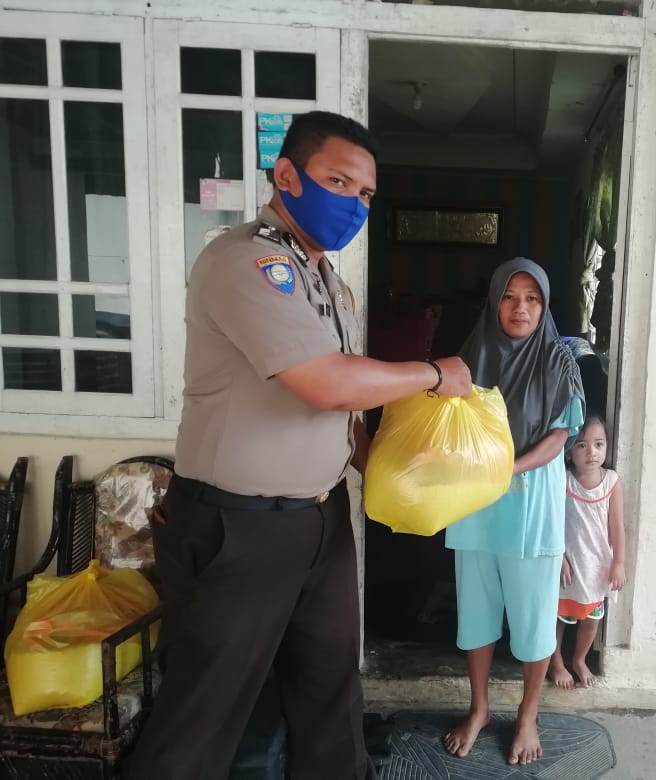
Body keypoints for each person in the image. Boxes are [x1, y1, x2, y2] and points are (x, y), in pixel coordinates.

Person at [125, 111, 472, 780]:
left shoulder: (330, 283)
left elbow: (341, 412)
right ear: (286, 175)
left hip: (320, 518)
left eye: (365, 194)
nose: (354, 204)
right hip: (240, 527)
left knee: (330, 690)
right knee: (206, 712)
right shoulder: (246, 262)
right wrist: (434, 374)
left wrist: (394, 477)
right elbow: (327, 384)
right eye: (338, 182)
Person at [441, 257, 584, 766]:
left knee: (534, 617)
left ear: (544, 306)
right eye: (509, 296)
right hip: (475, 500)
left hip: (530, 501)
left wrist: (509, 467)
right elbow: (445, 422)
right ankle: (479, 709)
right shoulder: (468, 358)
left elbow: (561, 436)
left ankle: (527, 714)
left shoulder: (559, 361)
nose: (520, 307)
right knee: (476, 612)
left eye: (532, 298)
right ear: (494, 300)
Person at [549, 415, 625, 689]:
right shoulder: (563, 480)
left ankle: (579, 659)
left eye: (598, 444)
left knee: (592, 619)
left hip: (597, 566)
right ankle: (556, 661)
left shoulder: (611, 481)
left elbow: (617, 526)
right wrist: (559, 558)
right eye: (581, 445)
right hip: (568, 564)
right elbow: (552, 522)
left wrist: (619, 562)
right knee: (558, 618)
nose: (591, 452)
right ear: (569, 451)